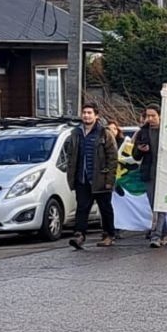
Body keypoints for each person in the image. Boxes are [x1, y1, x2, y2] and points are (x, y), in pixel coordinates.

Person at [67, 102, 118, 249]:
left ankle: (109, 234)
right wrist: (72, 177)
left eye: (89, 113)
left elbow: (112, 158)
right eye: (84, 112)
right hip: (82, 179)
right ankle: (79, 235)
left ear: (96, 115)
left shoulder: (104, 133)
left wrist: (109, 179)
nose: (86, 115)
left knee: (105, 208)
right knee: (82, 208)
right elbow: (71, 156)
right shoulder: (75, 133)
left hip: (100, 179)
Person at [133, 104, 167, 248]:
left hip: (165, 173)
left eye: (153, 116)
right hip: (149, 173)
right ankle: (165, 234)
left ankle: (156, 235)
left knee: (161, 205)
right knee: (154, 205)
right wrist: (141, 150)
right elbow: (135, 156)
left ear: (160, 115)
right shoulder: (142, 132)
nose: (150, 119)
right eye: (148, 116)